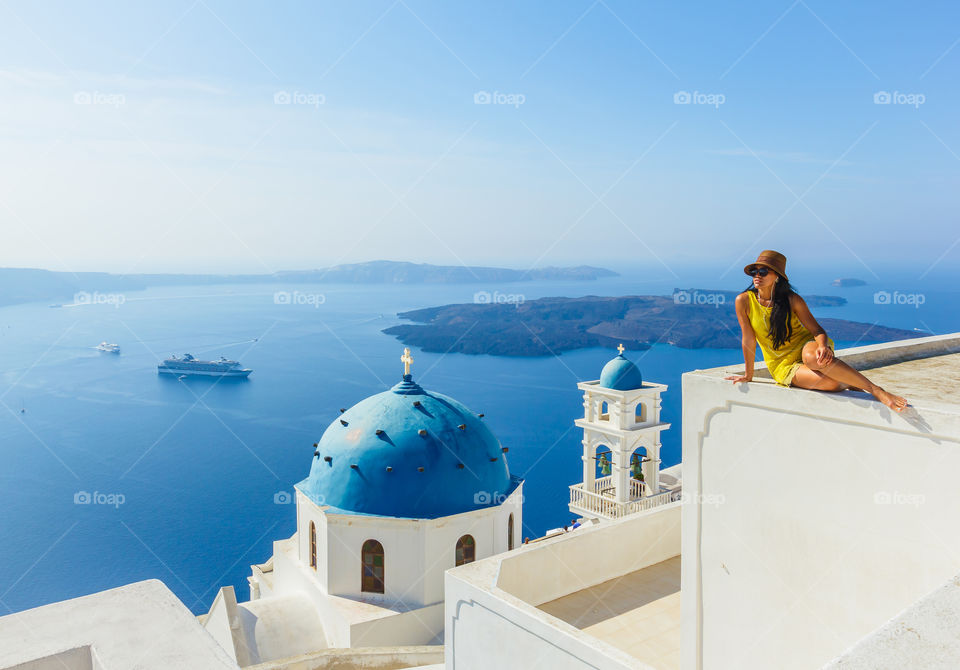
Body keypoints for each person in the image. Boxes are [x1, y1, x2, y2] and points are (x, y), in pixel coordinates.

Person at [726, 250, 908, 413]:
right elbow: (748, 339)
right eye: (754, 272)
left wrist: (823, 346)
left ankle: (876, 390)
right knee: (832, 383)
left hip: (808, 347)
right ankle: (850, 381)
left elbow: (816, 329)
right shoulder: (743, 301)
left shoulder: (792, 300)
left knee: (815, 358)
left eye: (763, 271)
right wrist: (748, 375)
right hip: (782, 364)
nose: (757, 276)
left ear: (777, 277)